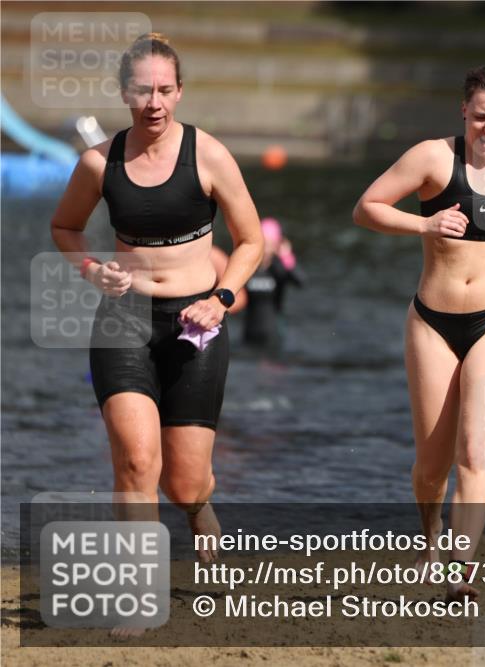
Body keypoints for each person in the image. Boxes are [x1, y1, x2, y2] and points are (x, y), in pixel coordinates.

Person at [50, 33, 263, 568]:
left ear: (180, 92)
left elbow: (252, 241)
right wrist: (92, 270)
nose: (154, 103)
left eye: (165, 90)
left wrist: (222, 296)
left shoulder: (209, 154)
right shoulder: (101, 162)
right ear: (125, 93)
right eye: (143, 91)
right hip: (124, 317)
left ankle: (198, 508)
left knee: (184, 482)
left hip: (197, 322)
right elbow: (64, 227)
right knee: (136, 462)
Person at [353, 63, 485, 602]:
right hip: (433, 322)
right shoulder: (432, 157)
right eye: (481, 116)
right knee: (431, 465)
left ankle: (460, 571)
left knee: (475, 453)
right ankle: (431, 543)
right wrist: (424, 223)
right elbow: (365, 208)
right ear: (464, 110)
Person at [242, 217, 304, 349]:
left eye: (270, 243)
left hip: (273, 333)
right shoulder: (250, 267)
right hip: (249, 331)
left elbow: (300, 281)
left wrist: (287, 257)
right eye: (264, 242)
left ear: (277, 244)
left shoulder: (278, 268)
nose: (266, 248)